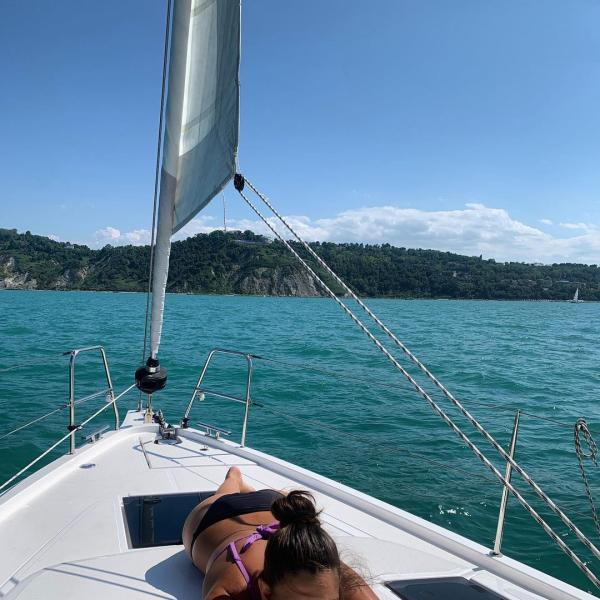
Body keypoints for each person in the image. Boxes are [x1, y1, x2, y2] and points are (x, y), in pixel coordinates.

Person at [183, 466, 378, 600]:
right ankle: (234, 477)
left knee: (281, 499)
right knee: (228, 488)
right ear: (265, 591)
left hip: (278, 509)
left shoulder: (324, 569)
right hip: (218, 514)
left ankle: (250, 487)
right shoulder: (232, 588)